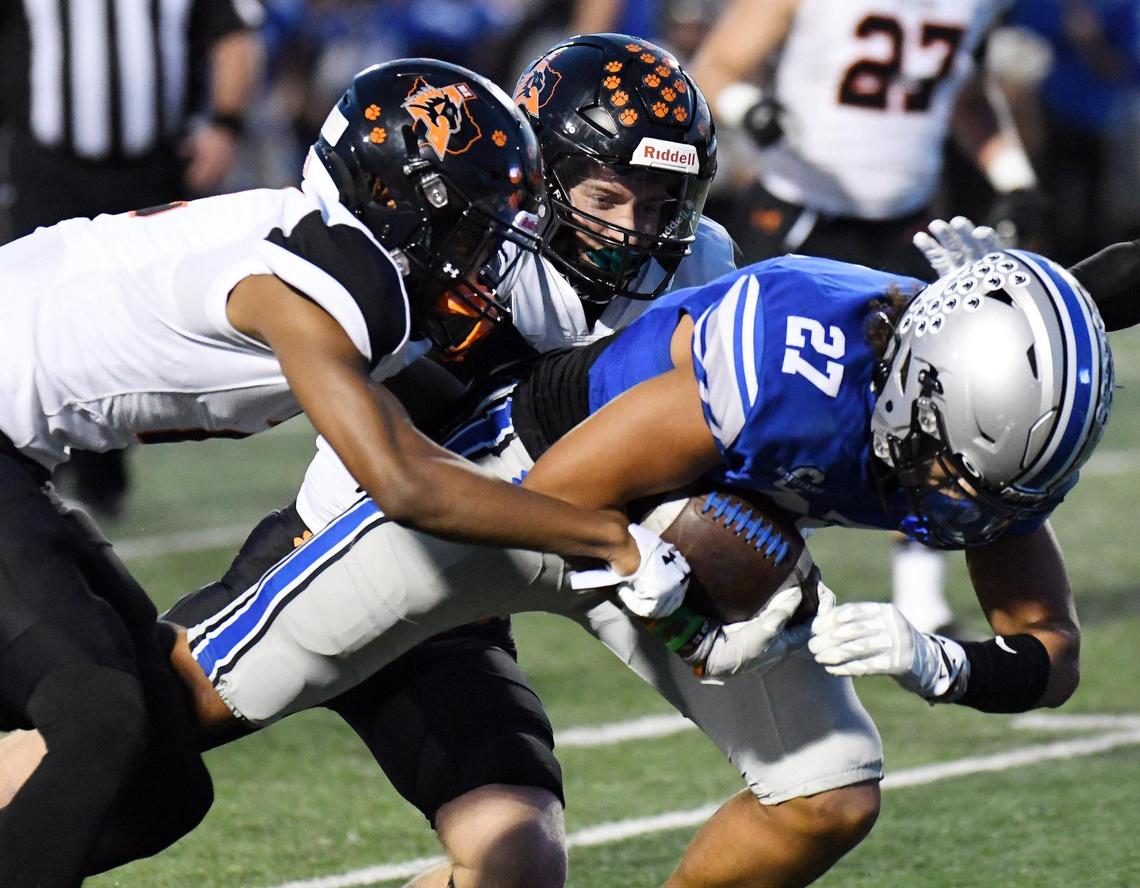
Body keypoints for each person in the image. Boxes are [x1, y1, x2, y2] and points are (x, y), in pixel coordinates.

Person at [10, 219, 1114, 885]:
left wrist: (946, 666)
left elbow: (1049, 651)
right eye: (956, 470)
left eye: (998, 487)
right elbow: (565, 495)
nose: (965, 506)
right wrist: (689, 616)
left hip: (682, 540)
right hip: (512, 489)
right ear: (917, 385)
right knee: (162, 724)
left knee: (827, 791)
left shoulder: (983, 421)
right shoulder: (791, 368)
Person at [0, 57, 692, 887]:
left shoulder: (341, 251)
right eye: (476, 229)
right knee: (103, 723)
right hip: (266, 533)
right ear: (398, 204)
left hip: (24, 463)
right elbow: (402, 482)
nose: (488, 259)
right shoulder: (328, 277)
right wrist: (610, 542)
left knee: (159, 782)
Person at [186, 32, 733, 888]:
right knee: (114, 748)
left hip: (454, 606)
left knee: (519, 862)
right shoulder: (464, 238)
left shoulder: (696, 273)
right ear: (540, 173)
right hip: (322, 553)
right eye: (608, 196)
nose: (634, 233)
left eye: (661, 206)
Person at [689, 0, 1048, 639]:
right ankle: (724, 564)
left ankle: (919, 589)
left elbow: (960, 90)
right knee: (745, 397)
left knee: (937, 403)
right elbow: (712, 70)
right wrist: (753, 111)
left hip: (906, 219)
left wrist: (1011, 173)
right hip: (802, 212)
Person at [0, 0, 264, 517]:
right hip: (46, 165)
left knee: (134, 322)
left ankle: (102, 475)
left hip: (153, 164)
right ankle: (34, 464)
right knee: (33, 315)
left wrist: (226, 124)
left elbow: (234, 31)